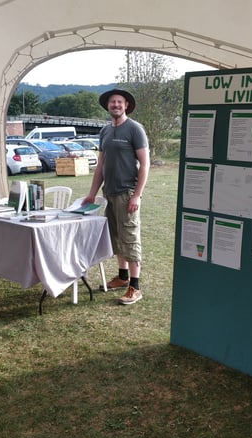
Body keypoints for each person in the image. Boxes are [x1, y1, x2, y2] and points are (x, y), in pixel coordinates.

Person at [83, 88, 150, 305]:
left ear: (126, 105)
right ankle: (122, 277)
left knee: (130, 237)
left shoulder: (134, 129)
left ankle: (135, 286)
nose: (116, 105)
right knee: (117, 238)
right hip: (109, 194)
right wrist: (92, 193)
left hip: (126, 193)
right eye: (112, 102)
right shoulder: (105, 131)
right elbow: (101, 165)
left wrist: (137, 195)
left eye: (120, 102)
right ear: (108, 106)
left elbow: (145, 163)